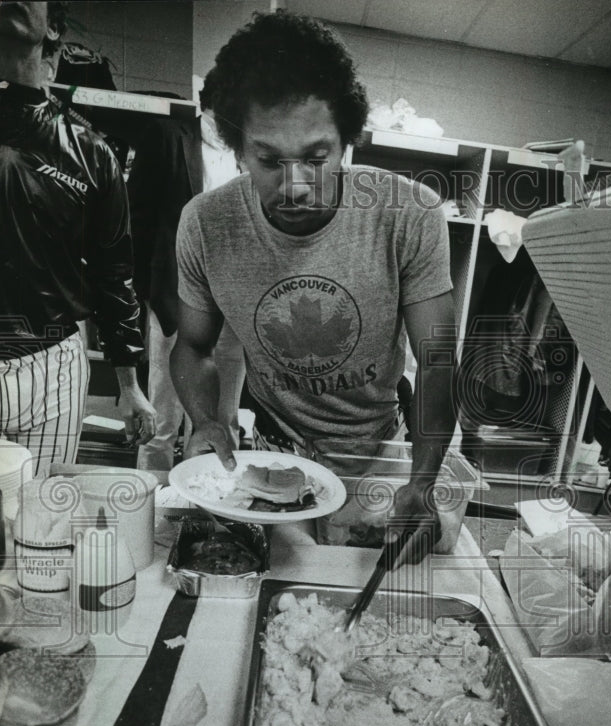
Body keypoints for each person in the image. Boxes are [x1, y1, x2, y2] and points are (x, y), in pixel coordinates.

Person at [171, 11, 458, 565]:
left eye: (316, 157)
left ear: (347, 141)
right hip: (274, 449)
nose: (297, 186)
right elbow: (193, 346)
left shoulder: (408, 214)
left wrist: (422, 482)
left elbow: (439, 362)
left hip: (382, 449)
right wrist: (207, 422)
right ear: (236, 148)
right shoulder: (206, 224)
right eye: (269, 160)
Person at [0, 1, 155, 477]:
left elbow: (114, 273)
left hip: (53, 368)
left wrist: (129, 385)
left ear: (54, 30)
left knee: (39, 528)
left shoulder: (91, 152)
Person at [127, 71, 245, 472]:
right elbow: (137, 221)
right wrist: (146, 294)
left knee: (223, 420)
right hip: (175, 301)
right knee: (163, 419)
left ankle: (211, 513)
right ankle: (152, 515)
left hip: (234, 309)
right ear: (209, 97)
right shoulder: (166, 137)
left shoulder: (252, 154)